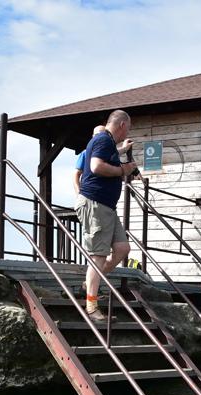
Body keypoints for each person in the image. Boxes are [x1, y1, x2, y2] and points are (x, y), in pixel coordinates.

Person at [75, 109, 137, 322]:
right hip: (96, 204)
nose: (127, 131)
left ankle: (88, 285)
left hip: (107, 206)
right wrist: (123, 170)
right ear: (121, 125)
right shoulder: (103, 139)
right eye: (127, 128)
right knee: (98, 256)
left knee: (122, 248)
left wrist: (123, 153)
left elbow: (106, 158)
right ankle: (92, 307)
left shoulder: (108, 143)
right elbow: (96, 166)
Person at [73, 125, 107, 194]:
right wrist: (78, 192)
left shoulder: (109, 153)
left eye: (103, 135)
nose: (99, 137)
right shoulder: (85, 153)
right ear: (93, 136)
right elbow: (76, 174)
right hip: (88, 194)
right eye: (97, 134)